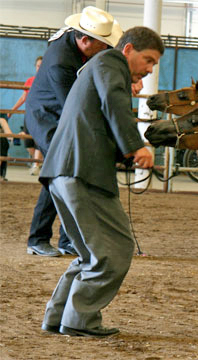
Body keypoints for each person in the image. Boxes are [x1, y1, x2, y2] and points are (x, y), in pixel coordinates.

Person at [39, 26, 164, 338]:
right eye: (148, 60)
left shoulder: (97, 66)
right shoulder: (110, 63)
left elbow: (100, 116)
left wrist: (125, 152)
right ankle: (79, 319)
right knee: (117, 248)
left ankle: (59, 317)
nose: (149, 70)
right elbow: (114, 103)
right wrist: (136, 146)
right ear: (128, 49)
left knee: (90, 254)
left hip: (64, 171)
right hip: (83, 173)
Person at [24, 6, 122, 257]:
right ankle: (38, 237)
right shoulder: (61, 65)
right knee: (60, 171)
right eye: (102, 45)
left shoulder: (77, 36)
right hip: (46, 116)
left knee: (74, 170)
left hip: (60, 110)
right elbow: (74, 106)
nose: (105, 50)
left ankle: (68, 240)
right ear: (85, 40)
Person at [8, 56, 43, 175]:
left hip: (41, 114)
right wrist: (13, 110)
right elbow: (23, 97)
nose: (40, 68)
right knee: (28, 142)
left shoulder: (47, 80)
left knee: (38, 138)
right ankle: (38, 161)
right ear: (35, 67)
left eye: (42, 65)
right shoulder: (29, 81)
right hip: (28, 114)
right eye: (38, 65)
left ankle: (36, 164)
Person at [0, 113, 14, 182]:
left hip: (2, 141)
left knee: (1, 140)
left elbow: (9, 134)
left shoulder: (1, 119)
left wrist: (10, 137)